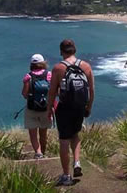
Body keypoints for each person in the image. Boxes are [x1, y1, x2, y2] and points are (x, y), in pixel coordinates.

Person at [47, 39, 95, 186]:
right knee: (75, 135)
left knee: (64, 140)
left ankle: (66, 176)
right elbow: (91, 91)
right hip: (79, 107)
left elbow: (52, 92)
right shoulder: (86, 66)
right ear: (74, 50)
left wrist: (49, 109)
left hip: (64, 108)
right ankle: (77, 162)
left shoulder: (58, 68)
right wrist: (88, 107)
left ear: (61, 51)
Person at [22, 53, 52, 159]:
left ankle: (38, 153)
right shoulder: (49, 75)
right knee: (43, 134)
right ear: (43, 63)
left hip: (32, 109)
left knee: (33, 134)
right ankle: (43, 152)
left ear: (31, 64)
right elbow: (54, 92)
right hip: (46, 109)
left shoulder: (28, 77)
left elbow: (25, 95)